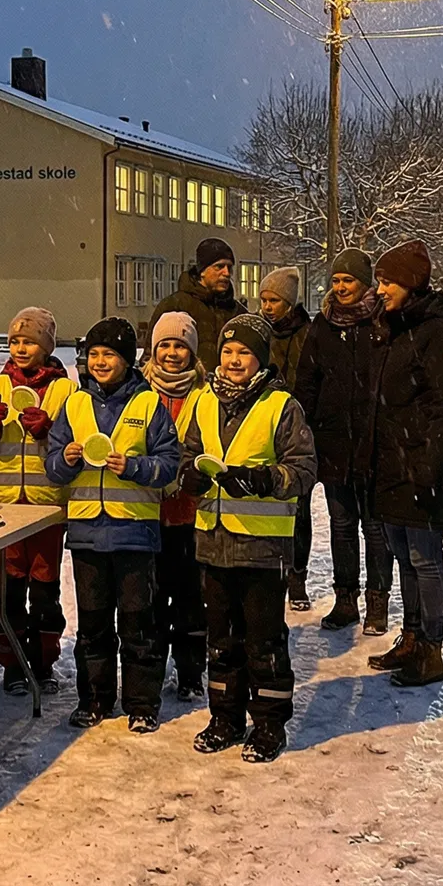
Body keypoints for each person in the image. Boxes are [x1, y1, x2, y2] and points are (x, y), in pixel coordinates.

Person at [178, 313, 317, 762]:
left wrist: (264, 480)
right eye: (227, 351)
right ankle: (225, 716)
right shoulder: (202, 401)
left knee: (264, 640)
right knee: (220, 639)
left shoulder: (282, 406)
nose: (234, 360)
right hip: (213, 541)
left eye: (244, 352)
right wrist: (190, 477)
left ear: (260, 358)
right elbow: (188, 454)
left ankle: (270, 723)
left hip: (262, 547)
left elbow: (304, 469)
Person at [45, 317, 182, 733]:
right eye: (94, 354)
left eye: (110, 355)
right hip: (87, 534)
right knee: (92, 625)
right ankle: (95, 698)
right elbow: (51, 466)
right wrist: (65, 460)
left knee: (139, 624)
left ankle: (142, 702)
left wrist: (136, 467)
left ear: (128, 360)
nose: (100, 362)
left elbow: (170, 464)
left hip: (135, 534)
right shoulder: (74, 404)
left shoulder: (148, 404)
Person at [364, 240, 443, 688]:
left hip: (422, 461)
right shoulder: (393, 324)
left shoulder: (438, 330)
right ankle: (410, 637)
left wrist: (428, 466)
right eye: (380, 281)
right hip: (389, 459)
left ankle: (431, 650)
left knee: (425, 558)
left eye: (387, 281)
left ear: (410, 283)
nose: (380, 289)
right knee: (403, 554)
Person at [0, 307, 75, 696]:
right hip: (6, 506)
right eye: (15, 341)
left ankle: (43, 662)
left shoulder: (65, 389)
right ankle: (12, 664)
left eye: (29, 341)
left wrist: (48, 431)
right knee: (9, 589)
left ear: (46, 346)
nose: (20, 348)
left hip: (47, 507)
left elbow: (73, 443)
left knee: (45, 590)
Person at [295, 247, 392, 634]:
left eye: (348, 280)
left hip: (375, 443)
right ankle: (345, 599)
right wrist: (306, 427)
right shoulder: (323, 325)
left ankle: (377, 603)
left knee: (374, 528)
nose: (340, 287)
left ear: (364, 283)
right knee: (341, 525)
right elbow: (307, 381)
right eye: (335, 280)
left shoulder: (384, 323)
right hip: (332, 444)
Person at [142, 311, 207, 701]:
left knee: (188, 599)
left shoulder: (205, 395)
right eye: (164, 345)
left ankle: (189, 671)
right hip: (146, 514)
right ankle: (149, 669)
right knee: (149, 599)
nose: (171, 353)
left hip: (190, 515)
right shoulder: (139, 392)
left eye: (179, 345)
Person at [256, 266, 315, 611]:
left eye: (274, 300)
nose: (267, 306)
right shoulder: (258, 333)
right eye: (263, 299)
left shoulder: (307, 335)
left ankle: (297, 576)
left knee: (299, 510)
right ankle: (271, 571)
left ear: (290, 303)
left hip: (295, 429)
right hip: (262, 429)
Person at [148, 237, 247, 370]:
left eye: (229, 267)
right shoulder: (174, 306)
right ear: (202, 271)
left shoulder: (238, 312)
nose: (227, 273)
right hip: (184, 387)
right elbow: (151, 354)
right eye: (219, 266)